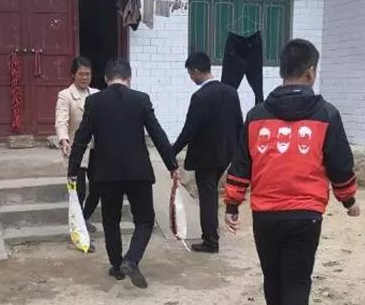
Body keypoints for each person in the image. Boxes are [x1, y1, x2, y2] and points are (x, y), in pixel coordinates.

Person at [223, 39, 360, 305]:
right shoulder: (327, 115)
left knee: (273, 276)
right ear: (311, 72)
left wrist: (232, 204)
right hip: (306, 214)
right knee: (297, 280)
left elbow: (241, 163)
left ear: (282, 71)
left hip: (266, 214)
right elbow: (340, 164)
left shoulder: (256, 116)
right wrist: (348, 200)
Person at [68, 58, 178, 288]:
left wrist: (73, 169)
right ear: (129, 78)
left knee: (111, 220)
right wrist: (172, 165)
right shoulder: (141, 99)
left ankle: (117, 266)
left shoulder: (94, 101)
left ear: (105, 79)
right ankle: (132, 259)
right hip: (138, 171)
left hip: (106, 173)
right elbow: (157, 133)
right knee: (145, 220)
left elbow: (81, 138)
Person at [172, 52, 243, 253]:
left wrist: (171, 152)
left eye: (190, 74)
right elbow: (239, 125)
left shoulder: (200, 97)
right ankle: (212, 236)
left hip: (205, 157)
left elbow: (189, 130)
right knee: (211, 195)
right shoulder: (231, 92)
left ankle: (211, 241)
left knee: (208, 199)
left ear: (196, 71)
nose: (191, 78)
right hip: (226, 154)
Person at [55, 56, 100, 245]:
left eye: (88, 74)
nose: (85, 78)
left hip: (96, 150)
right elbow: (61, 120)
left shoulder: (97, 94)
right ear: (73, 74)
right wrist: (63, 139)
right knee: (78, 192)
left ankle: (84, 218)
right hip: (76, 151)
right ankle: (80, 232)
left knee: (97, 189)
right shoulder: (65, 95)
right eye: (81, 74)